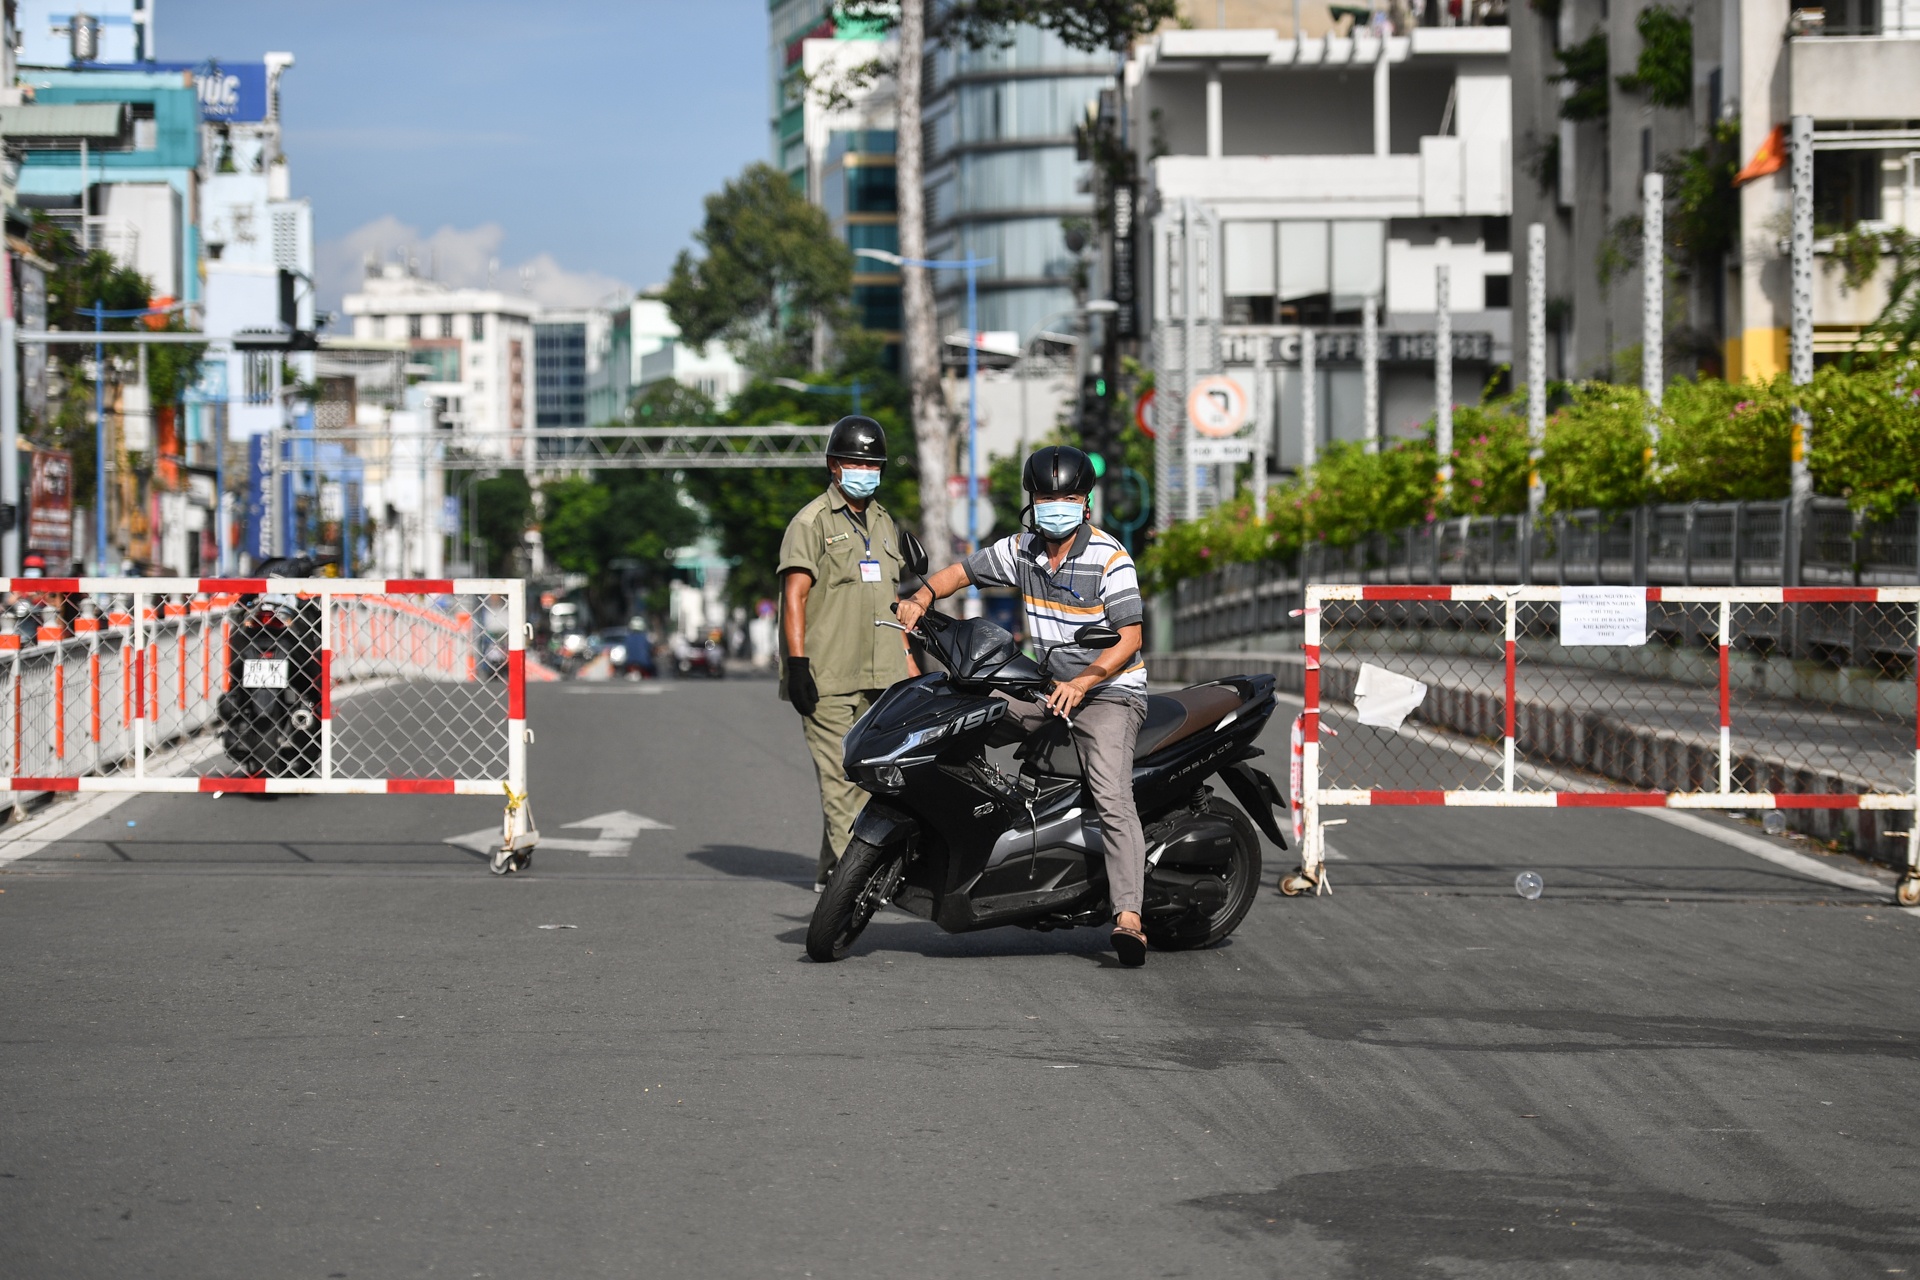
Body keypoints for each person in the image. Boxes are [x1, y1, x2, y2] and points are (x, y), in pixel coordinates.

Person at [895, 445, 1152, 967]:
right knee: (960, 715)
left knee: (1112, 794)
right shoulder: (1022, 550)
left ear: (1086, 504)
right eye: (1047, 497)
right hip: (1046, 686)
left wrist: (1083, 681)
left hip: (1109, 691)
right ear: (1032, 502)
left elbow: (1128, 639)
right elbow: (960, 574)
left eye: (1070, 497)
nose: (1058, 506)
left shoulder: (1110, 558)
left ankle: (1129, 915)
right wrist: (921, 598)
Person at [778, 416, 917, 892]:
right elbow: (794, 596)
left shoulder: (883, 523)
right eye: (856, 461)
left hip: (883, 676)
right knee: (842, 780)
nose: (865, 469)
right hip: (828, 676)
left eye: (873, 463)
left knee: (873, 781)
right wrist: (797, 665)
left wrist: (911, 666)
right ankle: (854, 884)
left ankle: (829, 874)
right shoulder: (811, 522)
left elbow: (893, 603)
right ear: (834, 466)